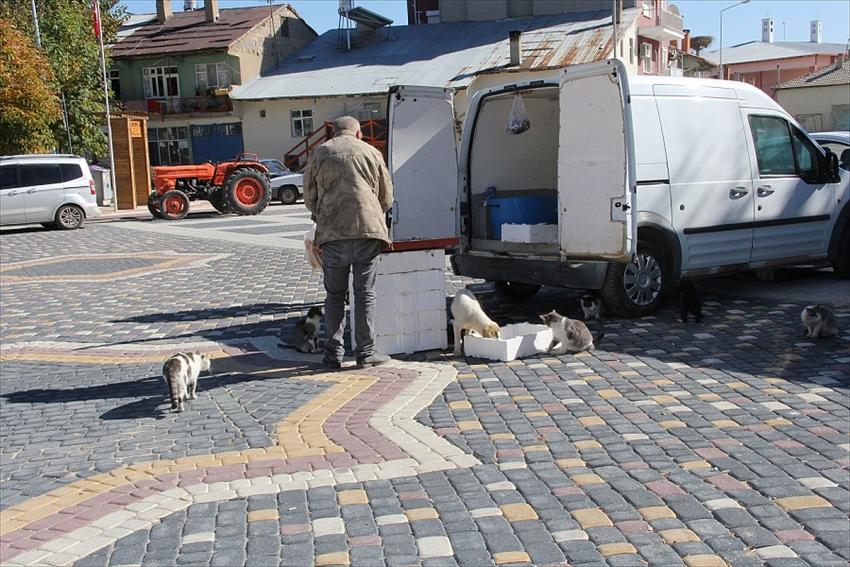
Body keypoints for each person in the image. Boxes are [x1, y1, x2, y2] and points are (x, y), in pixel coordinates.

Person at [303, 116, 394, 369]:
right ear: (358, 134)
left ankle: (333, 355)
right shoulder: (372, 152)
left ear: (332, 133)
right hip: (368, 232)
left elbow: (309, 197)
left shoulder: (321, 153)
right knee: (365, 294)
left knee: (334, 296)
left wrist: (324, 214)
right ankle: (365, 354)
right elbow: (386, 196)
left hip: (333, 235)